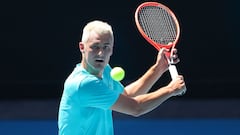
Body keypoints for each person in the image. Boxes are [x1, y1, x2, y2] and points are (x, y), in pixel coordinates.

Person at [58, 20, 186, 135]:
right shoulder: (83, 84)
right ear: (82, 47)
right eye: (95, 47)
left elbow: (127, 95)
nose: (101, 53)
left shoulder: (105, 69)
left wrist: (159, 68)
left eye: (106, 47)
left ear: (112, 50)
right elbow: (136, 107)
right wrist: (170, 90)